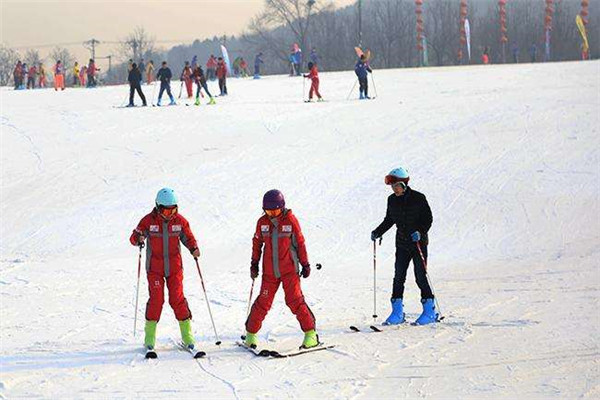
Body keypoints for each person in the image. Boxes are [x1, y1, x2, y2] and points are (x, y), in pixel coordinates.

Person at [129, 188, 201, 355]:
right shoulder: (148, 221)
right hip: (154, 269)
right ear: (157, 207)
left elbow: (188, 237)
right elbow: (134, 236)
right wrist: (138, 238)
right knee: (156, 300)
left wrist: (194, 248)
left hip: (174, 268)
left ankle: (188, 336)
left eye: (173, 209)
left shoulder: (180, 221)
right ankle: (149, 338)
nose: (169, 213)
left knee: (177, 299)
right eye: (165, 210)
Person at [244, 190, 319, 349]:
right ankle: (250, 334)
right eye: (268, 210)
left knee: (295, 301)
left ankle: (311, 334)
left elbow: (300, 243)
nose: (271, 214)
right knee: (262, 303)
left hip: (289, 271)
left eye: (275, 210)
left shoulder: (290, 221)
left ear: (282, 207)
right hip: (269, 273)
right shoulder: (262, 223)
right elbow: (257, 243)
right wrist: (254, 263)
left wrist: (305, 264)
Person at [370, 167, 437, 326]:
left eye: (396, 186)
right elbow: (389, 219)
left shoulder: (419, 198)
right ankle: (397, 312)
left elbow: (428, 219)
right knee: (398, 277)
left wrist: (420, 232)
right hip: (402, 244)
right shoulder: (392, 200)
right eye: (392, 186)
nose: (394, 189)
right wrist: (378, 232)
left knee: (420, 276)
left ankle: (429, 311)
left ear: (404, 184)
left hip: (418, 243)